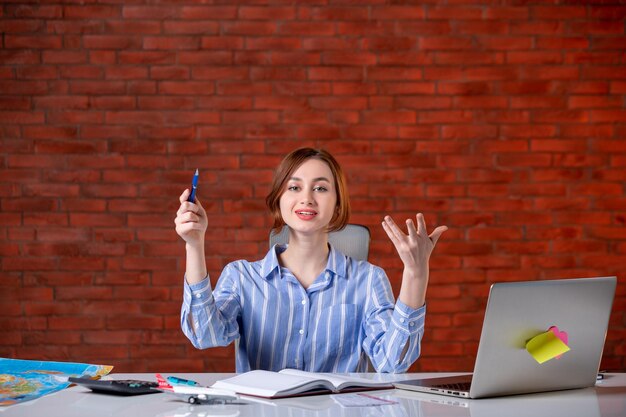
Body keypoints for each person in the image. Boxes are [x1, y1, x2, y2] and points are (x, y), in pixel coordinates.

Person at [175, 148, 447, 373]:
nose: (306, 198)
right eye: (294, 187)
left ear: (338, 204)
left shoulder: (369, 280)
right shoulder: (242, 277)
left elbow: (392, 362)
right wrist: (194, 245)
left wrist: (416, 273)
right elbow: (205, 335)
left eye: (320, 188)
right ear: (279, 200)